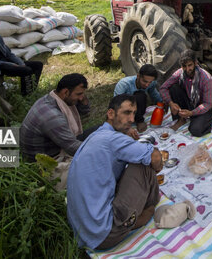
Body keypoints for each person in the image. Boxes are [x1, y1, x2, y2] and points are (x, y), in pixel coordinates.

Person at [67, 94, 164, 250]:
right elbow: (155, 159)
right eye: (127, 113)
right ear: (110, 113)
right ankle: (149, 207)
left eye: (134, 113)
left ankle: (136, 211)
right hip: (103, 234)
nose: (132, 119)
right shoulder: (112, 140)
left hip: (83, 232)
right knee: (143, 163)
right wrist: (156, 161)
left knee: (136, 158)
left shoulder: (96, 135)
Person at [19, 73, 90, 163]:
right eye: (78, 94)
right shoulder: (52, 116)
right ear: (65, 92)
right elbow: (72, 147)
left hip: (56, 146)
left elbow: (84, 113)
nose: (81, 98)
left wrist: (82, 97)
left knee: (101, 130)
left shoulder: (52, 98)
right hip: (46, 161)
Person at [0, 14, 43, 95]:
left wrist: (20, 63)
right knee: (27, 70)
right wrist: (11, 64)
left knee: (38, 65)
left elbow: (8, 54)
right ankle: (26, 94)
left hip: (5, 63)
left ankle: (31, 90)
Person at [160, 50, 212, 136]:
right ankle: (181, 119)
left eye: (190, 65)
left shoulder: (206, 78)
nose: (187, 69)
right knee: (173, 88)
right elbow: (163, 87)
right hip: (190, 101)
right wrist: (171, 103)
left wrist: (192, 113)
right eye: (184, 66)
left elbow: (208, 103)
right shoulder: (180, 72)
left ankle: (203, 117)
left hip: (203, 105)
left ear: (195, 63)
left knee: (196, 130)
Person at [113, 64, 163, 133]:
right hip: (124, 110)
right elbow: (116, 106)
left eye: (150, 82)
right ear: (138, 76)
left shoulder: (151, 83)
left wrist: (162, 103)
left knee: (141, 96)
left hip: (138, 110)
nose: (147, 85)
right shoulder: (124, 84)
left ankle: (138, 118)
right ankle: (139, 121)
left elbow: (154, 94)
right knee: (139, 95)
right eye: (145, 81)